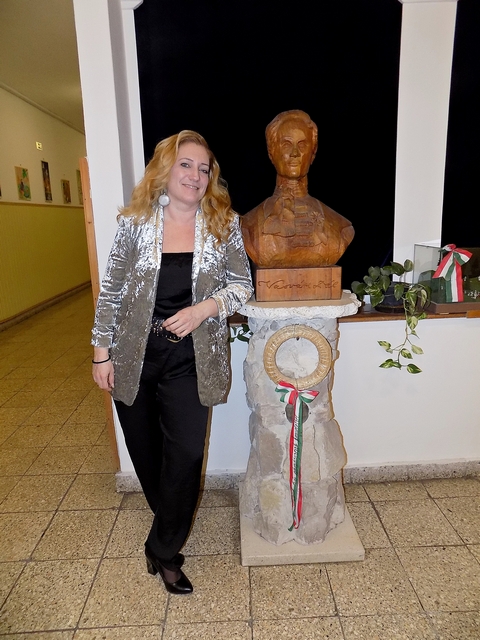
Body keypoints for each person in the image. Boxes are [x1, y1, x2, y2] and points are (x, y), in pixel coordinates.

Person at [91, 130, 253, 594]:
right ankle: (167, 527)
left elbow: (242, 286)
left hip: (191, 355)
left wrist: (204, 309)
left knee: (186, 454)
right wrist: (101, 353)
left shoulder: (223, 224)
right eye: (186, 164)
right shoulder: (135, 223)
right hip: (133, 355)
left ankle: (163, 551)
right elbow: (111, 292)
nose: (196, 175)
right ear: (165, 169)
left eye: (204, 168)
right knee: (146, 455)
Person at [241, 110, 354, 268]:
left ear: (312, 153)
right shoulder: (248, 225)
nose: (295, 153)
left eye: (302, 145)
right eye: (286, 145)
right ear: (271, 152)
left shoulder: (341, 226)